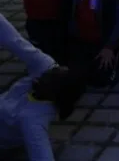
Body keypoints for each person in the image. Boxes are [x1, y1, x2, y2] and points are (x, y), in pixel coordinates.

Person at [0, 11, 85, 161]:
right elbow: (15, 41)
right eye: (56, 68)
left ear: (53, 95)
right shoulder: (46, 68)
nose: (47, 71)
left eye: (51, 76)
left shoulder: (33, 121)